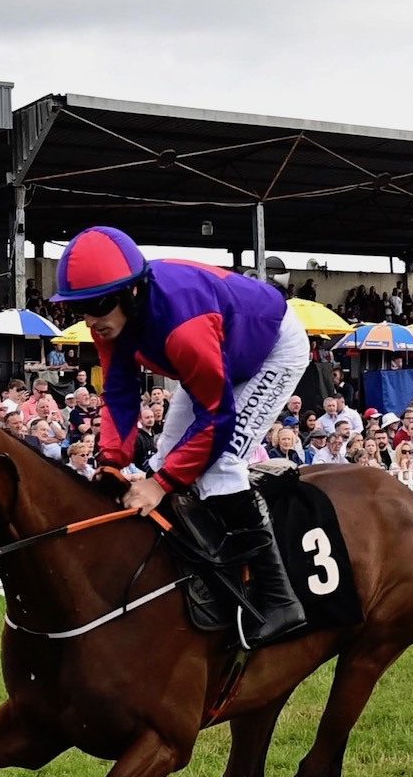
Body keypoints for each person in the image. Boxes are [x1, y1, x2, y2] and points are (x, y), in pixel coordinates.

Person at [51, 225, 311, 645]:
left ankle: (281, 599)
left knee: (218, 463)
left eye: (98, 305)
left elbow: (218, 417)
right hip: (220, 351)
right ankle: (194, 572)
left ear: (132, 292)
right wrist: (112, 462)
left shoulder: (183, 326)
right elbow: (118, 393)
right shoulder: (113, 323)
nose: (91, 320)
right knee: (162, 464)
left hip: (272, 348)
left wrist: (161, 483)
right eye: (79, 308)